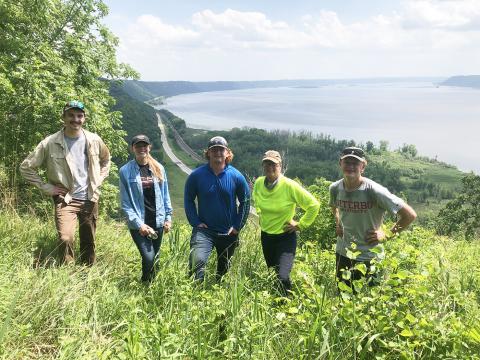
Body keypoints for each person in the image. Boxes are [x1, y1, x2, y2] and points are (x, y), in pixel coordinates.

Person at [20, 100, 111, 265]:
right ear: (63, 117)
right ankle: (68, 271)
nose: (75, 119)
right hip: (65, 199)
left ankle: (87, 270)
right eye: (71, 115)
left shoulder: (94, 140)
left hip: (90, 197)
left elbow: (106, 160)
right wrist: (47, 187)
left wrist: (99, 179)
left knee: (88, 240)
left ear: (84, 118)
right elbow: (26, 167)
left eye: (79, 116)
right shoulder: (50, 142)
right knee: (65, 237)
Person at [329, 146, 417, 290]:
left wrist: (386, 234)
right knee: (342, 300)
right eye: (347, 162)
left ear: (363, 166)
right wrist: (338, 223)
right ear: (340, 164)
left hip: (369, 257)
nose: (350, 167)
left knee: (368, 304)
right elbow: (334, 206)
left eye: (355, 163)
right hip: (343, 253)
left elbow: (410, 215)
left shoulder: (374, 191)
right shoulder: (335, 188)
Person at [253, 150, 320, 295]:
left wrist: (301, 224)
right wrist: (260, 213)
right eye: (267, 164)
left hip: (285, 237)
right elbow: (256, 198)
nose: (270, 167)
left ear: (280, 166)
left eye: (273, 164)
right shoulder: (259, 183)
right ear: (263, 165)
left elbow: (314, 205)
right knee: (272, 273)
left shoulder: (289, 185)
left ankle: (287, 304)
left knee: (282, 275)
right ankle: (274, 302)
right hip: (266, 236)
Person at [184, 136, 250, 282]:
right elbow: (188, 199)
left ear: (227, 153)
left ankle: (217, 294)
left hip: (228, 232)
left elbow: (245, 202)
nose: (218, 152)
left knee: (223, 271)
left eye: (221, 149)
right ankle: (195, 295)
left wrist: (237, 226)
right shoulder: (197, 175)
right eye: (214, 150)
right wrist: (195, 222)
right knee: (197, 262)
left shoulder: (236, 176)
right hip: (204, 231)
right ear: (208, 153)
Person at [119, 134, 172, 282]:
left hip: (158, 220)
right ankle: (145, 283)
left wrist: (168, 217)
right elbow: (125, 203)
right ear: (132, 148)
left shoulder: (159, 168)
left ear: (149, 147)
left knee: (155, 257)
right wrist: (139, 224)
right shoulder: (125, 171)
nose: (142, 148)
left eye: (144, 145)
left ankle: (151, 287)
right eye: (138, 146)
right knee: (148, 257)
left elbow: (165, 194)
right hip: (139, 223)